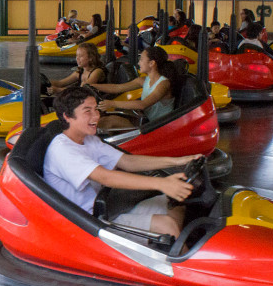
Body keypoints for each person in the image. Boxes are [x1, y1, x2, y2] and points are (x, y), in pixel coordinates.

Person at [44, 88, 198, 237]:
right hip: (90, 221)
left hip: (110, 205)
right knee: (167, 226)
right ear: (67, 116)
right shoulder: (63, 150)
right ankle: (173, 255)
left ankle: (165, 249)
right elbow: (106, 177)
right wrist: (161, 183)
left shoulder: (88, 140)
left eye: (96, 109)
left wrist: (178, 161)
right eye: (87, 111)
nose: (96, 116)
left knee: (176, 204)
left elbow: (127, 161)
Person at [92, 46, 176, 129]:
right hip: (147, 122)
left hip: (160, 127)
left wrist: (111, 103)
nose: (139, 63)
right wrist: (92, 86)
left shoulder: (163, 83)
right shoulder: (143, 80)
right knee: (104, 121)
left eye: (141, 59)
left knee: (110, 122)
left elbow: (142, 104)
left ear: (152, 63)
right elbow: (117, 88)